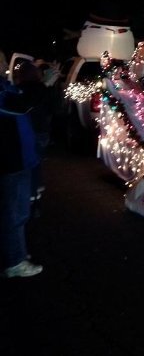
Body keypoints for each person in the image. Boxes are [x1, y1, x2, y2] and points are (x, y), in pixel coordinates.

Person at [0, 50, 43, 278]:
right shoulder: (2, 89)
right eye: (3, 61)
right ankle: (14, 261)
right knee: (14, 213)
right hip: (11, 160)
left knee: (17, 211)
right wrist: (40, 83)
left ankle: (16, 252)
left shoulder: (5, 86)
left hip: (19, 158)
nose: (7, 65)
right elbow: (22, 105)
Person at [13, 60, 60, 215]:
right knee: (36, 164)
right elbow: (55, 108)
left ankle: (28, 200)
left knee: (26, 166)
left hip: (24, 132)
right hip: (41, 132)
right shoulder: (44, 89)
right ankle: (35, 200)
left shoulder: (17, 90)